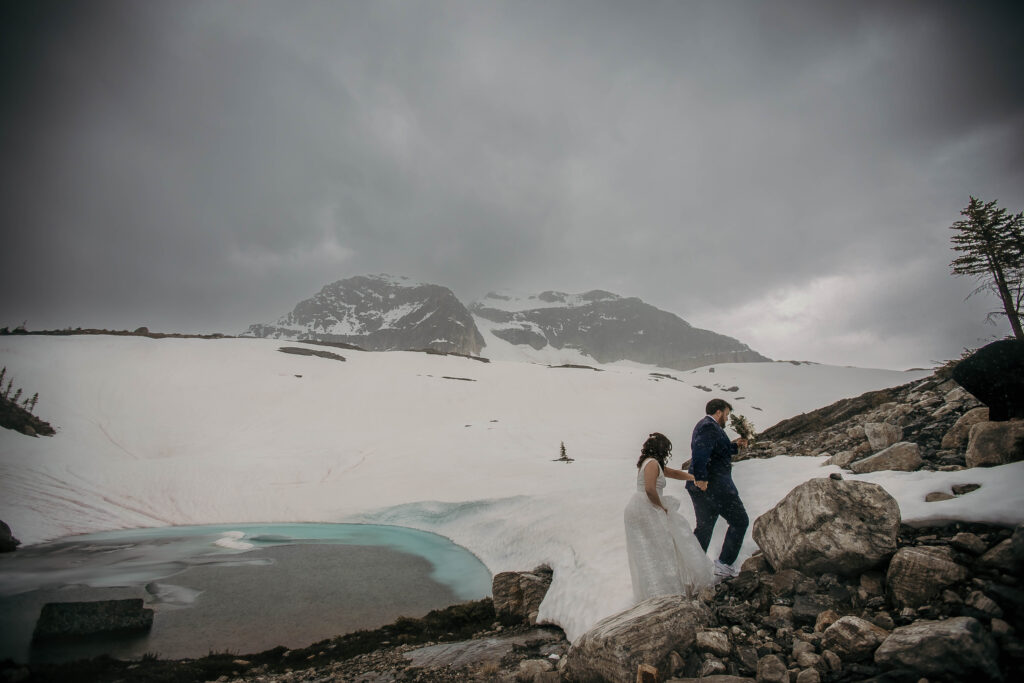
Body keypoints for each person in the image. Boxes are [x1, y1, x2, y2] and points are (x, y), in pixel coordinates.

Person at [624, 432, 715, 602]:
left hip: (643, 507)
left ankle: (662, 590)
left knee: (657, 548)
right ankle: (662, 593)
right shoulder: (651, 463)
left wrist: (693, 477)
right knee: (659, 548)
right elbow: (650, 489)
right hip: (646, 508)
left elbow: (673, 473)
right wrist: (661, 507)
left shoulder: (652, 463)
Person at [686, 398, 750, 578]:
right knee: (740, 521)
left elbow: (718, 450)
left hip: (705, 488)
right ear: (719, 412)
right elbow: (700, 452)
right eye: (727, 415)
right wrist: (702, 479)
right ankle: (724, 564)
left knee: (704, 528)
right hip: (715, 487)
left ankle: (692, 568)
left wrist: (736, 446)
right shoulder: (709, 426)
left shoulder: (709, 427)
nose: (728, 419)